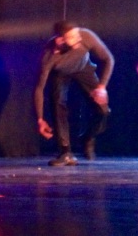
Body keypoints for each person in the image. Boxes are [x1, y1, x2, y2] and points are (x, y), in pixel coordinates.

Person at [34, 21, 115, 167]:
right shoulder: (49, 56)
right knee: (57, 101)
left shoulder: (86, 36)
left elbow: (109, 59)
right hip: (61, 74)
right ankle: (65, 152)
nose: (78, 38)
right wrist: (40, 119)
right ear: (60, 41)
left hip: (83, 68)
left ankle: (88, 137)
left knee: (103, 111)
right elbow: (39, 88)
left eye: (77, 34)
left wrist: (102, 87)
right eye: (72, 36)